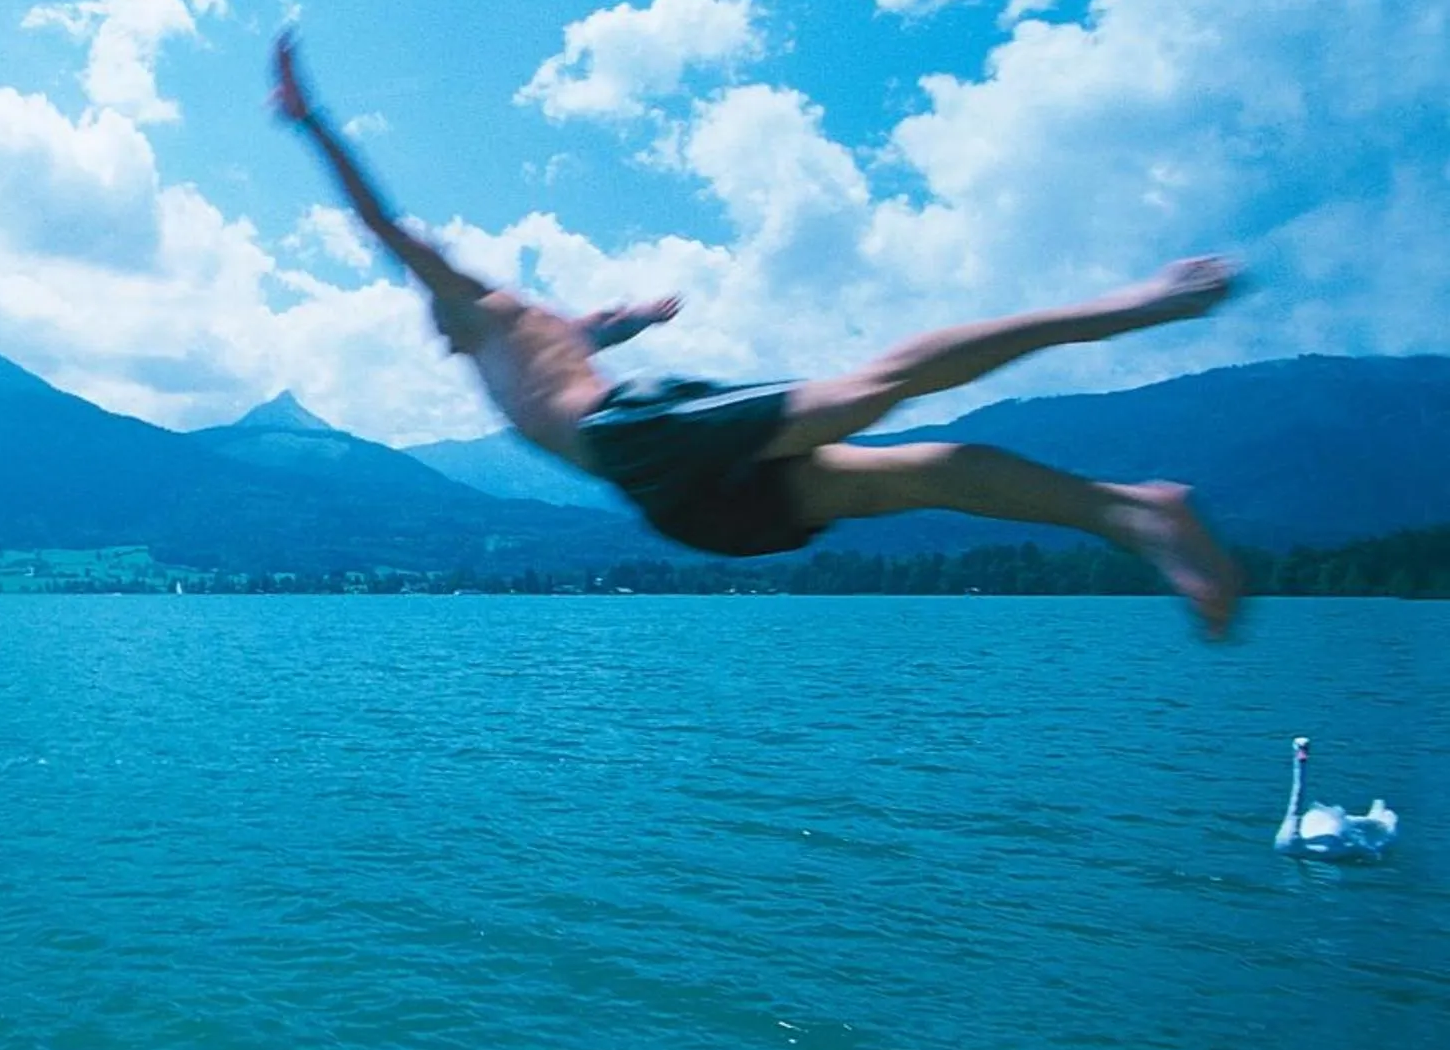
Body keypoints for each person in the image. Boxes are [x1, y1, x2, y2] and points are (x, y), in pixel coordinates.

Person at [270, 31, 1245, 636]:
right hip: (680, 497)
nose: (425, 289)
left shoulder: (483, 310)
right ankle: (1127, 511)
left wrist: (313, 128)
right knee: (918, 465)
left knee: (881, 406)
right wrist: (636, 316)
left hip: (642, 446)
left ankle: (1134, 334)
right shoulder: (517, 329)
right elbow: (551, 306)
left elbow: (391, 226)